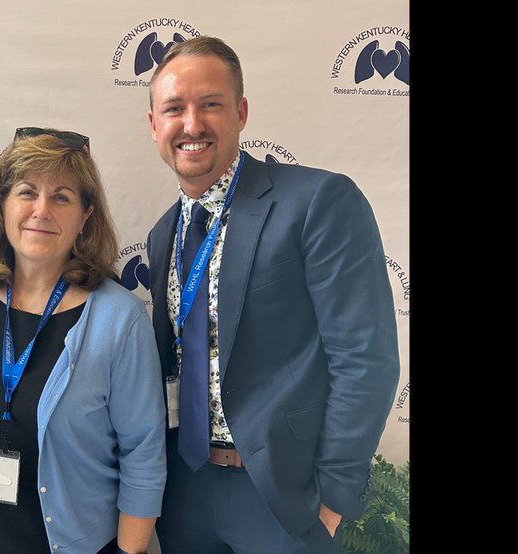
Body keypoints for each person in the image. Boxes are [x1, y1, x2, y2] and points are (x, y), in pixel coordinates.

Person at [144, 36, 401, 553]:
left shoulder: (317, 201)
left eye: (210, 104)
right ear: (154, 125)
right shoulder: (163, 234)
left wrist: (331, 501)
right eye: (174, 108)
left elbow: (365, 359)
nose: (191, 124)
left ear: (240, 112)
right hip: (185, 493)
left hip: (283, 503)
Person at [0, 128, 166, 554]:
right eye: (26, 192)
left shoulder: (120, 319)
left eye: (62, 197)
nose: (41, 210)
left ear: (86, 214)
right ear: (1, 204)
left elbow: (143, 456)